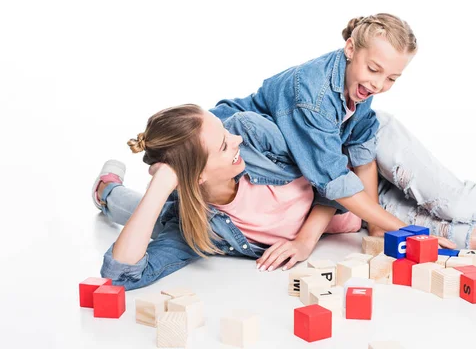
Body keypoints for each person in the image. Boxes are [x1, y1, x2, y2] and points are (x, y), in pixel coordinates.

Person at [91, 104, 455, 290]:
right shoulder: (199, 227)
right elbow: (123, 274)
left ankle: (107, 188)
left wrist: (305, 240)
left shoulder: (253, 133)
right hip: (184, 200)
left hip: (367, 198)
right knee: (148, 213)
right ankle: (108, 191)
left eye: (225, 133)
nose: (235, 140)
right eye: (223, 145)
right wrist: (162, 184)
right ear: (198, 175)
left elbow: (334, 167)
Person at [211, 13, 421, 237]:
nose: (379, 84)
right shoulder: (314, 98)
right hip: (242, 141)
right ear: (350, 49)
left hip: (291, 162)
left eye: (391, 79)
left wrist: (377, 228)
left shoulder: (360, 82)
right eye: (374, 69)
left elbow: (362, 152)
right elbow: (333, 179)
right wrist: (408, 230)